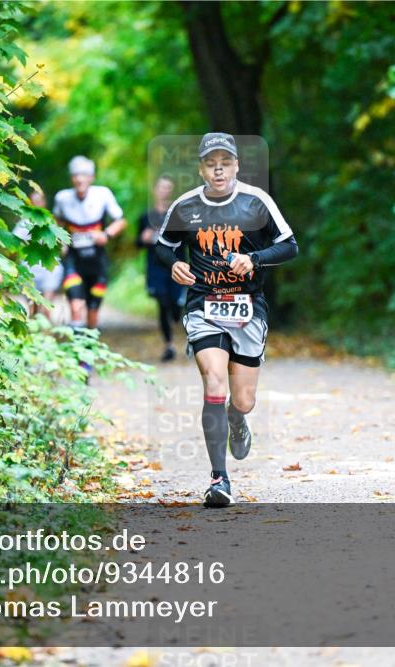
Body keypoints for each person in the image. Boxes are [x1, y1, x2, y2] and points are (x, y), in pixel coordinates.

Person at [154, 133, 298, 507]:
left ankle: (237, 417)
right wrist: (176, 265)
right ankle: (219, 479)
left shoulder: (257, 202)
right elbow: (163, 247)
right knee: (214, 383)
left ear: (236, 166)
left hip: (248, 306)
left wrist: (255, 259)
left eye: (225, 162)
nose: (218, 169)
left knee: (244, 399)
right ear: (201, 168)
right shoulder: (185, 207)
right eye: (210, 163)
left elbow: (289, 245)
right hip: (204, 305)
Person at [53, 156, 126, 330]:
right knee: (76, 306)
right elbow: (56, 222)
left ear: (91, 178)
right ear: (71, 178)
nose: (79, 179)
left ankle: (89, 347)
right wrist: (60, 242)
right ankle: (79, 353)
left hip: (97, 260)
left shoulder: (102, 194)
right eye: (75, 175)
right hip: (74, 260)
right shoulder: (62, 198)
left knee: (93, 310)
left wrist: (106, 234)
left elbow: (121, 221)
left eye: (84, 175)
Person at [137, 174, 186, 362]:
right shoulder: (146, 217)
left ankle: (176, 314)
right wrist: (144, 238)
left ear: (171, 191)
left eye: (168, 187)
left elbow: (190, 240)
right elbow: (138, 243)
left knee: (175, 305)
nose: (164, 191)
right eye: (161, 187)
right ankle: (169, 345)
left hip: (177, 264)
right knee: (163, 303)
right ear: (155, 190)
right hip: (155, 267)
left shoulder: (179, 214)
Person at [13, 189, 63, 320]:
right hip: (30, 269)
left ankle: (46, 336)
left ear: (44, 203)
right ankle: (36, 336)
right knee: (33, 309)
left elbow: (61, 245)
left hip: (49, 269)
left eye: (39, 201)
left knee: (46, 309)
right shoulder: (23, 223)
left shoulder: (51, 223)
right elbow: (14, 244)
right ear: (30, 203)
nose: (37, 204)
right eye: (34, 202)